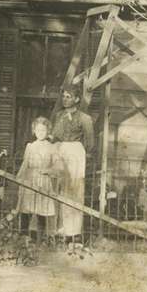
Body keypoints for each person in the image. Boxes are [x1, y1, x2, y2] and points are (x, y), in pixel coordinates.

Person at [51, 86, 94, 243]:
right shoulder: (59, 116)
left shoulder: (84, 118)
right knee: (58, 189)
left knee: (74, 190)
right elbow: (55, 135)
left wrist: (78, 151)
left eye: (69, 97)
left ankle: (73, 232)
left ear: (77, 99)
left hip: (76, 152)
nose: (65, 99)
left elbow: (90, 143)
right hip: (60, 150)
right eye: (64, 96)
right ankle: (58, 229)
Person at [15, 116, 61, 240]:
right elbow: (25, 164)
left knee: (42, 208)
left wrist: (48, 171)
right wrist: (20, 179)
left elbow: (58, 165)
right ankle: (24, 236)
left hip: (44, 180)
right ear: (34, 131)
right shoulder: (30, 146)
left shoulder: (52, 147)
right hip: (30, 179)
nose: (40, 133)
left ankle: (40, 237)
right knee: (27, 207)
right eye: (38, 130)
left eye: (43, 130)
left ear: (48, 132)